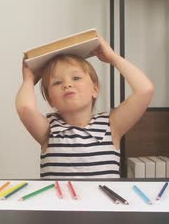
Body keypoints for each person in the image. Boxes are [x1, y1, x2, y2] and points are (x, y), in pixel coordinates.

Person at [15, 36, 153, 178]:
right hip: (59, 201)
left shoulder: (111, 126)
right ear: (50, 99)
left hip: (101, 200)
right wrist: (28, 80)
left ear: (95, 89)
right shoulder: (49, 130)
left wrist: (113, 58)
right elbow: (25, 108)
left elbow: (145, 90)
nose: (67, 85)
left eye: (76, 78)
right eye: (57, 82)